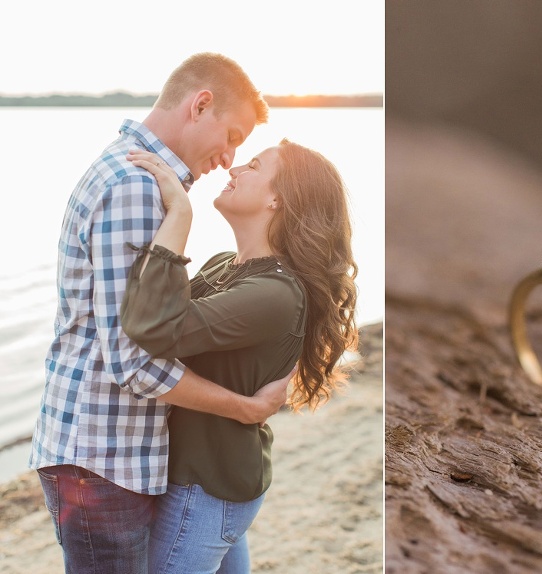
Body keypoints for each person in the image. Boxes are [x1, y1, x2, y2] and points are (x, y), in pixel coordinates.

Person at [29, 53, 291, 574]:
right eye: (233, 135)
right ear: (201, 105)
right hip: (101, 460)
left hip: (111, 456)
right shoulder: (136, 186)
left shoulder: (141, 179)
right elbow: (133, 361)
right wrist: (243, 407)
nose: (230, 157)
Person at [119, 140, 358, 573]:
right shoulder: (224, 265)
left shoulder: (273, 294)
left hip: (206, 486)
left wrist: (180, 215)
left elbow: (153, 329)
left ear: (276, 198)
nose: (234, 170)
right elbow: (155, 316)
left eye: (253, 165)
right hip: (214, 476)